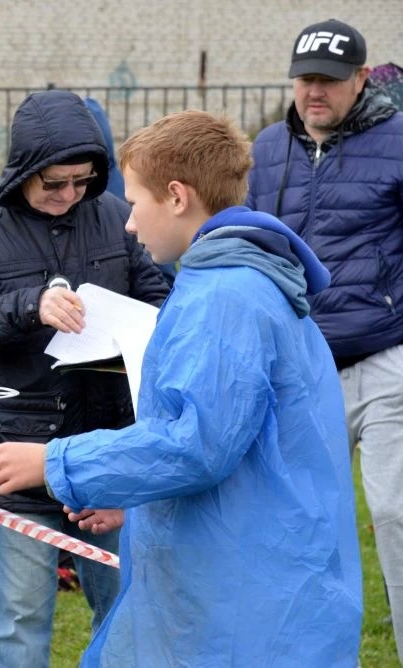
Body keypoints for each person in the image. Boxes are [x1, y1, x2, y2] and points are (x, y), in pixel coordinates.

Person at [0, 109, 363, 666]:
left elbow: (196, 443)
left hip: (243, 600)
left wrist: (56, 463)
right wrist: (135, 500)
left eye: (134, 202)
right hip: (253, 562)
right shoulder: (232, 283)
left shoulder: (225, 299)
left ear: (177, 197)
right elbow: (239, 446)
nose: (129, 224)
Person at [0, 89, 171, 667]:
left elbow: (162, 303)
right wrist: (28, 305)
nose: (68, 195)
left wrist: (127, 331)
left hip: (112, 448)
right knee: (19, 624)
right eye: (53, 182)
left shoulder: (117, 217)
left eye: (82, 181)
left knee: (128, 614)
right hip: (17, 454)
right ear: (23, 170)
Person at [246, 18, 403, 658]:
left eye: (331, 81)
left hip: (386, 356)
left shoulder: (399, 141)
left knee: (395, 515)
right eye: (307, 78)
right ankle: (307, 650)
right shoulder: (265, 150)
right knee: (299, 521)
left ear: (361, 80)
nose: (316, 92)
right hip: (301, 368)